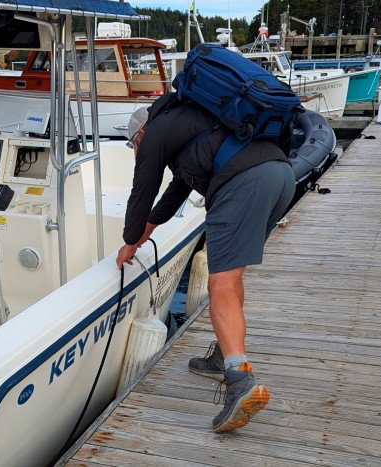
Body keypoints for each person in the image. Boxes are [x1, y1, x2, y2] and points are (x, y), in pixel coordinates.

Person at [115, 93, 295, 432]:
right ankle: (224, 356)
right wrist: (145, 233)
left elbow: (143, 190)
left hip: (243, 184)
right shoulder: (194, 124)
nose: (137, 150)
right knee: (230, 274)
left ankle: (239, 379)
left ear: (140, 134)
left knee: (220, 283)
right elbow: (175, 191)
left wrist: (128, 241)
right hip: (280, 176)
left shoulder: (155, 133)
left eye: (133, 145)